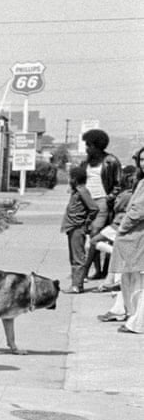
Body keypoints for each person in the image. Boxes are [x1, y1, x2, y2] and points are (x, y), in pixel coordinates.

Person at [79, 128, 122, 283]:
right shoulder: (86, 162)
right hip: (85, 202)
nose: (87, 148)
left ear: (98, 146)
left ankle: (82, 273)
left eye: (89, 145)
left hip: (102, 202)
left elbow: (118, 184)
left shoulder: (111, 161)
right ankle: (97, 270)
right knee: (88, 236)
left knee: (95, 234)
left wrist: (108, 199)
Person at [108, 176, 144, 334]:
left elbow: (138, 210)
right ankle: (134, 319)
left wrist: (123, 227)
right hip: (135, 236)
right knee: (131, 280)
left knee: (138, 283)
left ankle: (137, 322)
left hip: (136, 236)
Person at [62, 164, 97, 293]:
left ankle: (77, 285)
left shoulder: (82, 191)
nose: (69, 180)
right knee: (73, 257)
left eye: (70, 178)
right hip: (72, 227)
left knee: (78, 258)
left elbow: (94, 208)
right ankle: (76, 284)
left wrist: (86, 222)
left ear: (75, 179)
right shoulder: (76, 190)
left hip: (78, 227)